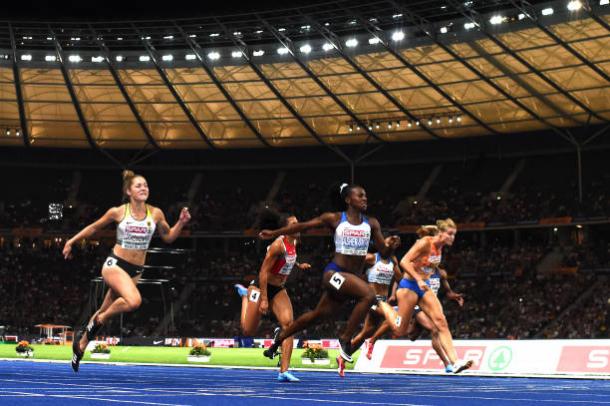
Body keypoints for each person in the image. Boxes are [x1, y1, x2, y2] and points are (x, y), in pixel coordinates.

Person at [259, 183, 400, 377]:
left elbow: (383, 252)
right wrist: (273, 233)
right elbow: (304, 226)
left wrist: (391, 246)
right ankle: (345, 338)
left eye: (366, 195)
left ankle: (277, 341)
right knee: (368, 294)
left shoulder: (372, 224)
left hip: (351, 279)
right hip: (333, 274)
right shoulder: (334, 218)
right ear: (348, 199)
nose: (364, 198)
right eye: (360, 195)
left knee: (318, 315)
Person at [63, 170, 191, 372]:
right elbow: (94, 228)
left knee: (105, 309)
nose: (143, 188)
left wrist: (181, 223)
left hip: (136, 271)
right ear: (128, 191)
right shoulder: (118, 212)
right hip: (115, 265)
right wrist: (72, 241)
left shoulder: (155, 213)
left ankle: (80, 345)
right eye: (138, 185)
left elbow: (168, 237)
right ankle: (101, 320)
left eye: (146, 185)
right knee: (133, 301)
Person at [377, 219, 472, 374]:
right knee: (400, 331)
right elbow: (404, 261)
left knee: (441, 321)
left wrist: (445, 288)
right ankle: (382, 306)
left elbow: (429, 267)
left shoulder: (440, 249)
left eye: (454, 235)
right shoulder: (424, 243)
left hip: (424, 288)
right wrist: (419, 278)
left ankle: (455, 362)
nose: (452, 238)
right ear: (440, 233)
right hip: (409, 286)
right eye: (450, 234)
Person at [234, 210, 311, 382]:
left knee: (290, 325)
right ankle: (245, 296)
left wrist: (299, 264)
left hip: (279, 288)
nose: (297, 226)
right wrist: (264, 299)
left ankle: (283, 371)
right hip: (261, 286)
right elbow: (263, 272)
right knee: (248, 330)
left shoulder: (295, 240)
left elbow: (288, 258)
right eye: (293, 224)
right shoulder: (278, 245)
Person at [367, 267, 465, 373]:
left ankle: (376, 310)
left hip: (428, 306)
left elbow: (448, 292)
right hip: (415, 302)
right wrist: (393, 294)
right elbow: (399, 278)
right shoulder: (418, 270)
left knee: (411, 335)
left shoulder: (441, 273)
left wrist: (453, 295)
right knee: (434, 329)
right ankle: (447, 363)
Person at [349, 244, 401, 359]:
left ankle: (344, 356)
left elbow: (400, 279)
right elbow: (352, 262)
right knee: (396, 317)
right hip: (372, 300)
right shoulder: (372, 257)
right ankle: (372, 341)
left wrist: (394, 294)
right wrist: (359, 280)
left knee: (366, 332)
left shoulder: (393, 261)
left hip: (383, 301)